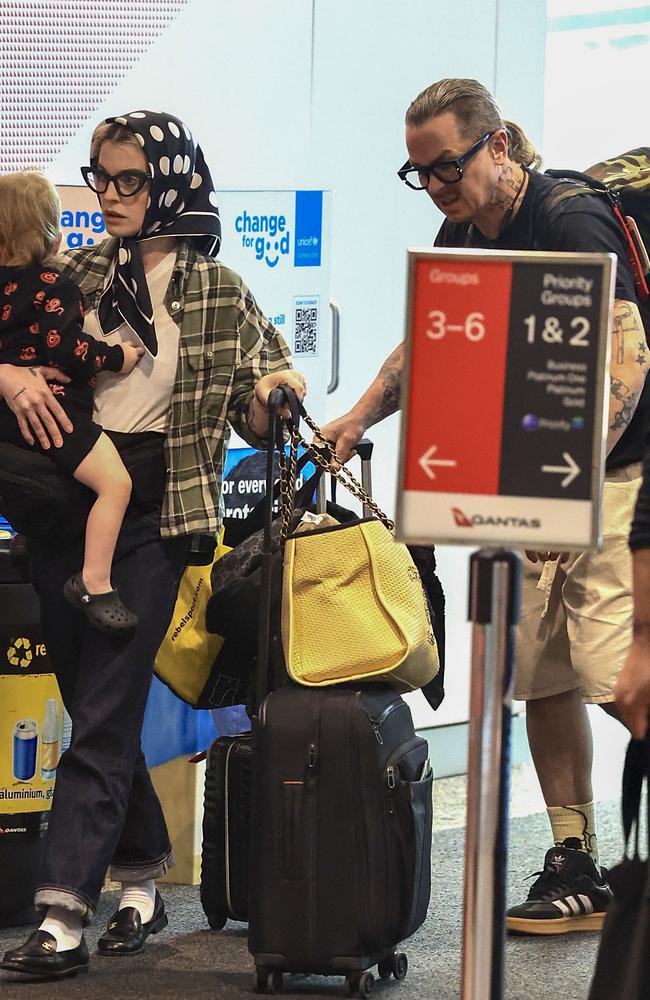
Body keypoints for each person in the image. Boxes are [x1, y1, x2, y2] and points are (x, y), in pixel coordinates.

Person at [322, 78, 649, 936]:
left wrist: (557, 491)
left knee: (615, 671)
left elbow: (628, 368)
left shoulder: (571, 222)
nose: (435, 186)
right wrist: (358, 416)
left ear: (498, 147)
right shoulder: (462, 232)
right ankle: (577, 859)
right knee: (539, 671)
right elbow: (433, 338)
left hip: (618, 476)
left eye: (448, 167)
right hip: (536, 476)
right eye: (419, 172)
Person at [0, 109, 306, 980]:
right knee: (95, 694)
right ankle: (142, 877)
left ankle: (61, 912)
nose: (110, 195)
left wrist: (274, 392)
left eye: (129, 179)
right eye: (101, 177)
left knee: (99, 709)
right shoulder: (76, 270)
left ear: (169, 179)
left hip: (157, 511)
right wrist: (12, 372)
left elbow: (258, 394)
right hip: (69, 500)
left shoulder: (218, 290)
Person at [0, 170, 144, 632]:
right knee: (115, 485)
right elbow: (68, 350)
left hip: (7, 419)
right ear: (50, 230)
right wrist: (117, 357)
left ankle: (27, 537)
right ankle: (95, 582)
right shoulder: (53, 284)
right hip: (54, 415)